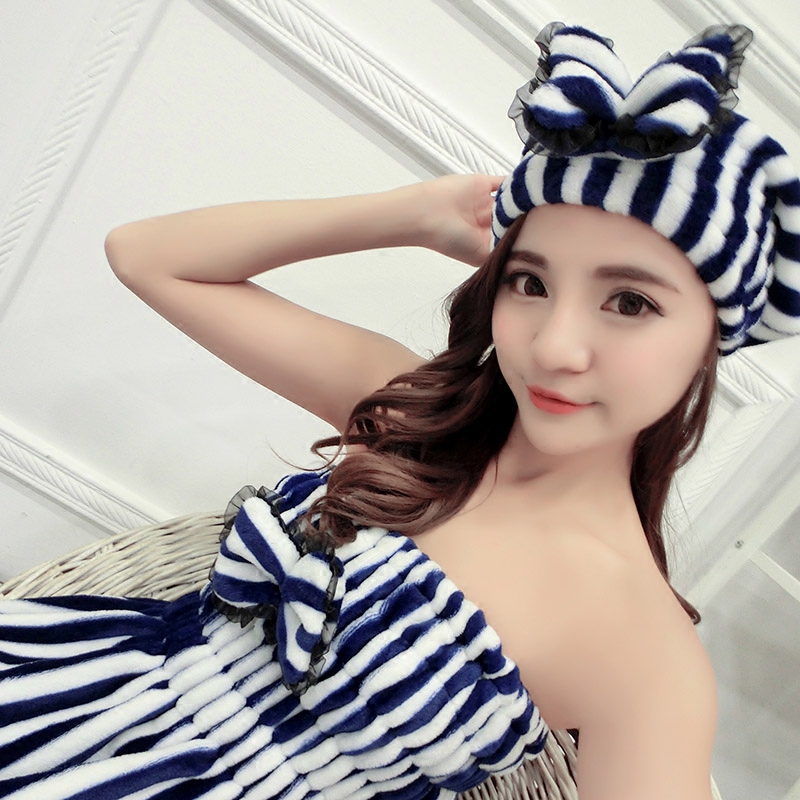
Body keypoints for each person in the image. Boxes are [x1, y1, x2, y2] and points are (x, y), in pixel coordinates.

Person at [1, 20, 799, 800]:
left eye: (629, 302)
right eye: (530, 282)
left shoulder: (644, 659)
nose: (556, 345)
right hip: (65, 705)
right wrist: (409, 214)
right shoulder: (414, 412)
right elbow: (146, 256)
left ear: (711, 340)